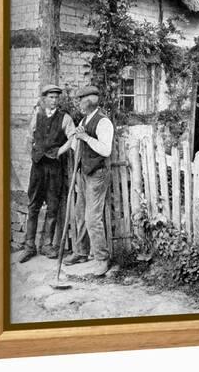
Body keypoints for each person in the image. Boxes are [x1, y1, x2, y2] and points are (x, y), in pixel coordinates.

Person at [19, 84, 75, 263]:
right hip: (38, 167)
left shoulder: (65, 118)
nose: (54, 100)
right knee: (33, 206)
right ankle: (29, 246)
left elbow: (72, 137)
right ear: (44, 99)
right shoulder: (37, 115)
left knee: (52, 206)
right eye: (51, 97)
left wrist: (59, 152)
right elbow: (29, 137)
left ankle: (47, 245)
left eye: (56, 97)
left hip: (54, 169)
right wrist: (32, 154)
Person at [63, 86, 114, 277]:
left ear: (89, 101)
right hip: (84, 174)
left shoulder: (103, 122)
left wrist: (85, 137)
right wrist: (77, 139)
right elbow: (79, 147)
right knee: (79, 213)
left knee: (93, 218)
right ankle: (81, 252)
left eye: (80, 100)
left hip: (98, 174)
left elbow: (105, 150)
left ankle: (102, 259)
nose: (78, 104)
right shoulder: (84, 120)